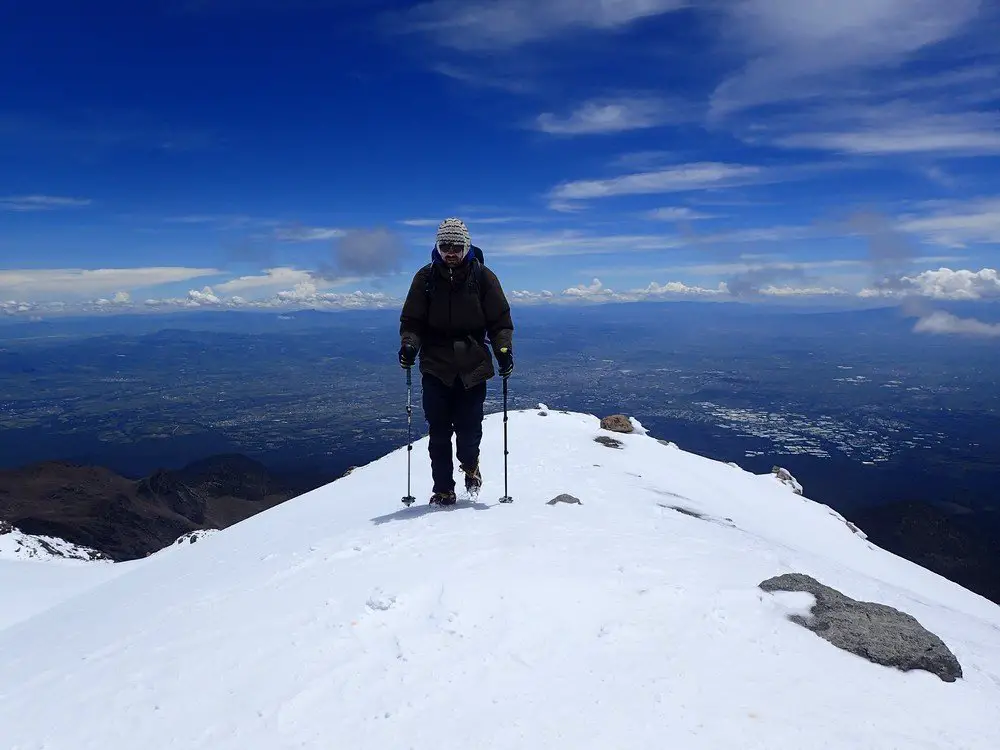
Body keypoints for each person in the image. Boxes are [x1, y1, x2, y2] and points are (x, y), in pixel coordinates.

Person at [398, 218, 514, 505]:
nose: (451, 252)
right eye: (445, 245)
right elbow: (412, 320)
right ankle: (443, 489)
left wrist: (503, 349)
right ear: (437, 247)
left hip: (472, 365)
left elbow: (499, 321)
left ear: (467, 246)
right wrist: (410, 345)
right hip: (436, 364)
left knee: (468, 430)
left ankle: (470, 464)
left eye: (457, 246)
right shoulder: (425, 279)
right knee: (438, 433)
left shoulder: (483, 277)